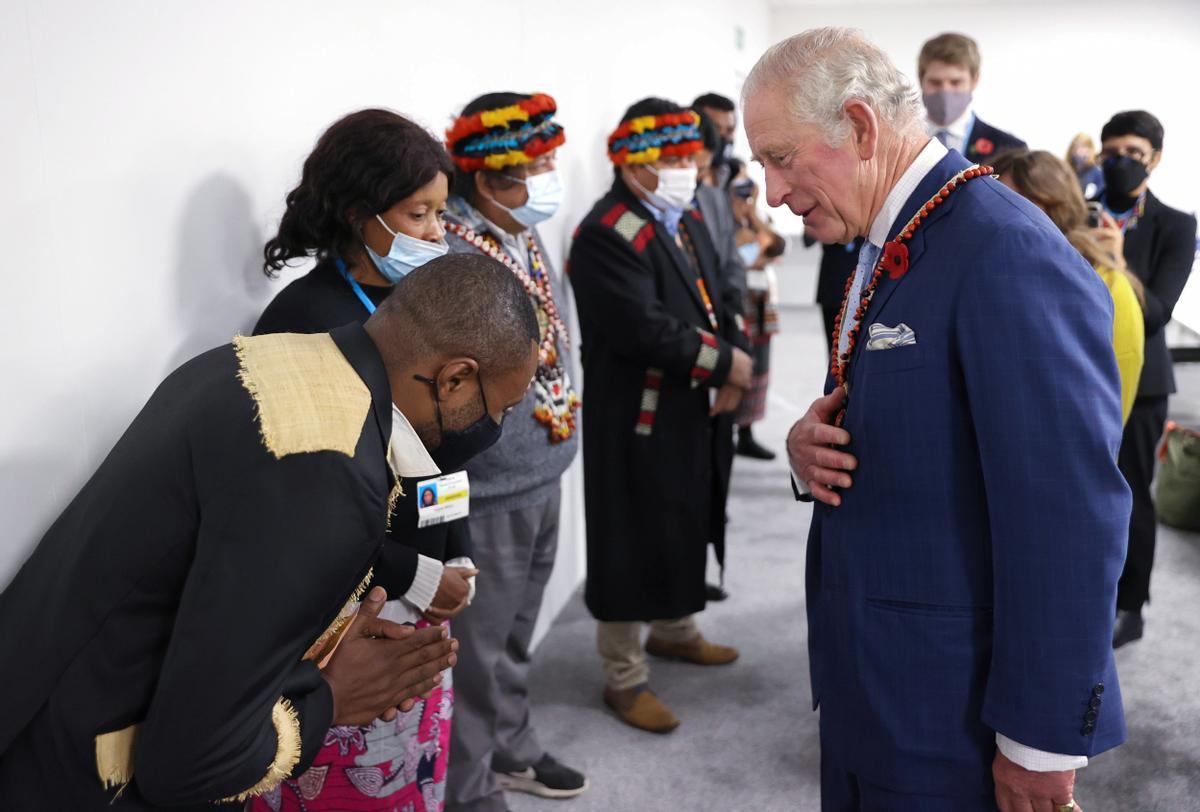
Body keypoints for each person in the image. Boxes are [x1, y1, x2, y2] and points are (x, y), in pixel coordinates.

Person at [0, 255, 541, 811]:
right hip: (87, 771)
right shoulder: (326, 467)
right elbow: (192, 763)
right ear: (455, 378)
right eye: (500, 408)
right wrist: (332, 696)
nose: (494, 427)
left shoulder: (265, 361)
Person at [745, 28, 1129, 810]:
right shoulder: (887, 236)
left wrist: (1040, 739)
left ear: (859, 127)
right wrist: (801, 448)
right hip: (870, 690)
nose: (773, 194)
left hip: (950, 716)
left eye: (781, 158)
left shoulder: (1004, 252)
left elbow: (1070, 518)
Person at [251, 109, 480, 812]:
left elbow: (441, 454)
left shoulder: (423, 303)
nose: (438, 233)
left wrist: (456, 551)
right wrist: (414, 570)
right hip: (344, 607)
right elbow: (303, 505)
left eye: (442, 212)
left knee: (411, 767)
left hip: (426, 582)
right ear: (359, 214)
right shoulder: (301, 323)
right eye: (418, 215)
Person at [569, 97, 753, 734]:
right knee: (630, 530)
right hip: (637, 412)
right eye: (670, 159)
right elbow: (643, 328)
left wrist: (736, 356)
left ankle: (676, 627)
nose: (686, 168)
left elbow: (722, 292)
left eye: (688, 156)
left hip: (693, 401)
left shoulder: (683, 213)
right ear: (631, 163)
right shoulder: (607, 232)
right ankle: (623, 674)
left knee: (685, 513)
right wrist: (723, 364)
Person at [438, 92, 588, 810]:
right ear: (486, 176)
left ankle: (514, 746)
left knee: (518, 637)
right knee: (476, 655)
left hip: (545, 467)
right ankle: (469, 792)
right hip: (489, 489)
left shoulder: (523, 229)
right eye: (534, 167)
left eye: (551, 161)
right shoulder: (449, 252)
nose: (549, 177)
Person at [1094, 110, 1198, 648]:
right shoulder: (1078, 214)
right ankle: (1085, 594)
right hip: (1080, 375)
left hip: (1144, 384)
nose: (1121, 162)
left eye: (1133, 152)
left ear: (1154, 159)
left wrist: (1115, 261)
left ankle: (1129, 605)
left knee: (1131, 492)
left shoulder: (1176, 225)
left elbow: (1157, 311)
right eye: (1111, 151)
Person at [992, 148, 1145, 424]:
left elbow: (1113, 405)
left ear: (1059, 209)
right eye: (997, 199)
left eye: (1024, 202)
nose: (1006, 213)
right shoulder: (982, 279)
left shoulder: (1107, 284)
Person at [693, 109, 749, 599]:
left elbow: (731, 267)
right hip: (686, 365)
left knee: (717, 465)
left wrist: (737, 352)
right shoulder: (621, 224)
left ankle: (703, 566)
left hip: (722, 348)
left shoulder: (711, 199)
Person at [727, 167, 786, 459]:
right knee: (742, 365)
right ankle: (732, 429)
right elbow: (746, 259)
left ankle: (748, 431)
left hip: (764, 303)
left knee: (761, 367)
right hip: (742, 304)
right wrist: (758, 251)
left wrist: (752, 213)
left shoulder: (753, 218)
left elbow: (775, 247)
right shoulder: (723, 221)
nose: (744, 193)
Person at [918, 32, 1025, 162]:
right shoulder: (900, 143)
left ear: (974, 80)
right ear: (921, 79)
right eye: (935, 82)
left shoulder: (1009, 149)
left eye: (955, 82)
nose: (945, 91)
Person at [692, 92, 738, 187]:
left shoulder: (733, 177)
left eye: (730, 130)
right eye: (715, 129)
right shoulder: (682, 179)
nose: (723, 136)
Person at [1066, 133, 1105, 200]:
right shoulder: (1066, 170)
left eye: (1084, 148)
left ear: (1091, 150)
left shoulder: (1097, 174)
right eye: (1076, 147)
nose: (1079, 151)